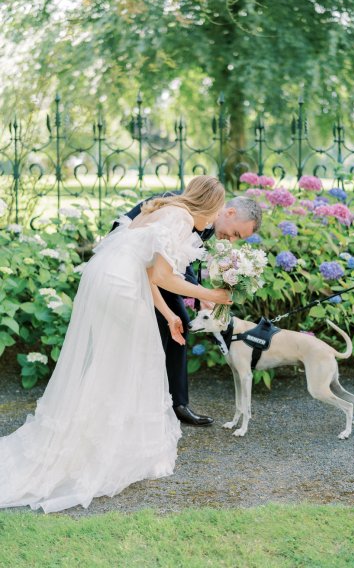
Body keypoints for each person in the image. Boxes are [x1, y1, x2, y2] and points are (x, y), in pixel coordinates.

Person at [0, 175, 231, 513]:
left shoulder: (167, 209)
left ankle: (93, 436)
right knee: (132, 360)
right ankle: (98, 448)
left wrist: (169, 316)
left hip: (108, 277)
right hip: (121, 284)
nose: (213, 222)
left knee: (116, 360)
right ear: (208, 205)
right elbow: (165, 278)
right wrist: (212, 295)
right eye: (216, 213)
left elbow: (151, 276)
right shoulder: (181, 219)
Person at [117, 194, 262, 426]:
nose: (232, 240)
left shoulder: (209, 223)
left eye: (238, 238)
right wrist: (205, 294)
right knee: (153, 330)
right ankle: (141, 404)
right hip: (129, 267)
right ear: (230, 213)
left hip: (155, 270)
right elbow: (159, 262)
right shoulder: (190, 210)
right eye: (236, 233)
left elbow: (181, 261)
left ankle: (177, 404)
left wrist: (198, 295)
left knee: (181, 323)